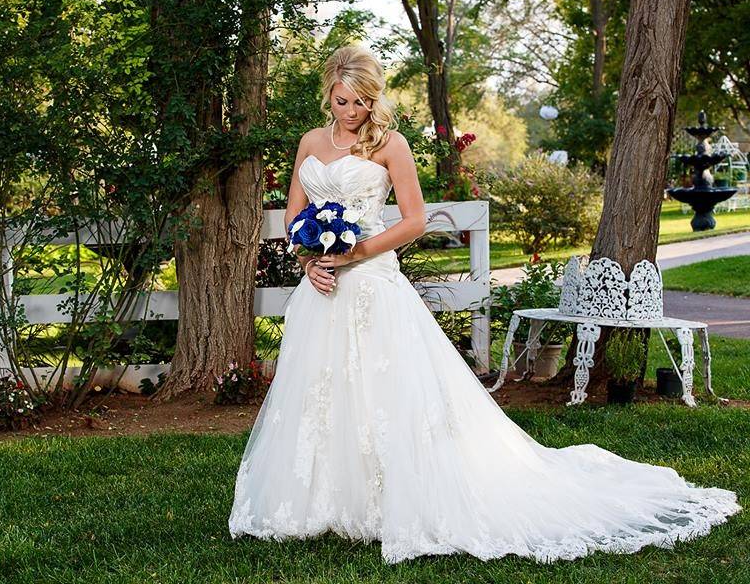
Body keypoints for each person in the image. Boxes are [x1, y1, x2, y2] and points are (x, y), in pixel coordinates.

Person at [227, 44, 740, 565]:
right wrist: (309, 259)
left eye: (359, 103)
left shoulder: (391, 145)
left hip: (372, 282)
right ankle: (322, 501)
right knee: (321, 391)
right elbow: (295, 214)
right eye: (341, 102)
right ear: (328, 96)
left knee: (384, 391)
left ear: (373, 99)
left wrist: (353, 252)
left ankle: (390, 500)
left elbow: (414, 221)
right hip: (321, 290)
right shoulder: (311, 142)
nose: (350, 112)